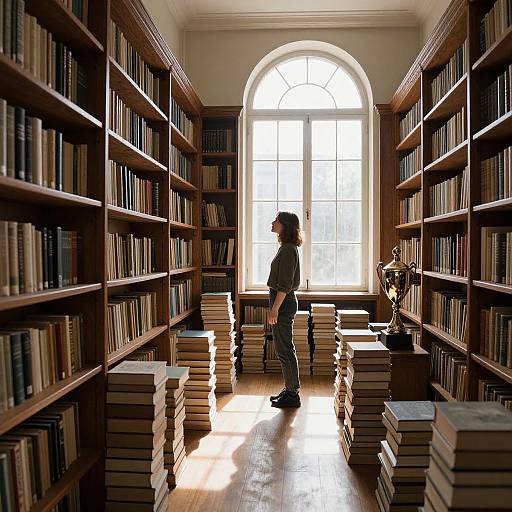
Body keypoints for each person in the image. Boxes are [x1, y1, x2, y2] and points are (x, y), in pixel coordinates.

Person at [266, 211, 302, 408]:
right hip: (282, 301)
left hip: (283, 302)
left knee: (285, 349)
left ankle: (292, 393)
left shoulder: (288, 249)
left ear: (285, 226)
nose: (273, 223)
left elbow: (285, 285)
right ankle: (290, 388)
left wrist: (274, 310)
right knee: (284, 348)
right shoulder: (286, 248)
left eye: (276, 221)